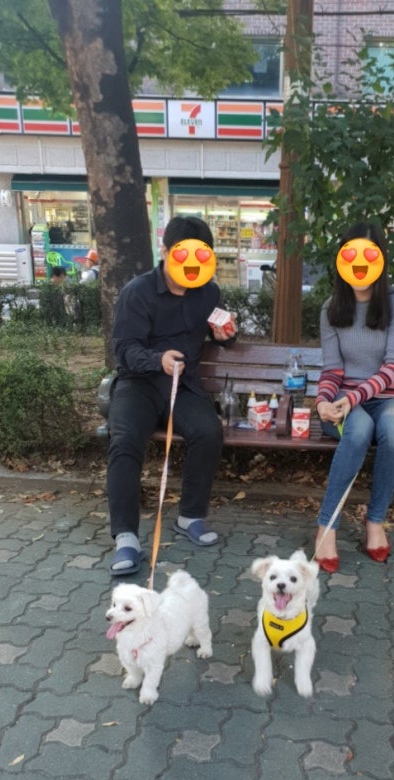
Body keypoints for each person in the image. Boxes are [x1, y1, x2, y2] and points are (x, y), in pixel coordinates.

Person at [106, 215, 236, 575]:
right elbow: (124, 350)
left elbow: (220, 330)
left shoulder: (208, 292)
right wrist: (157, 360)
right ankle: (126, 537)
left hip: (184, 386)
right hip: (139, 383)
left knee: (208, 432)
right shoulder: (137, 292)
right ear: (164, 252)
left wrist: (226, 335)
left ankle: (190, 516)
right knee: (124, 440)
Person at [313, 219, 394, 573]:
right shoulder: (331, 308)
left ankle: (375, 521)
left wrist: (355, 397)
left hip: (387, 397)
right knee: (357, 430)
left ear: (381, 259)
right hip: (345, 401)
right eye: (351, 255)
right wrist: (322, 402)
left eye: (369, 256)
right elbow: (332, 370)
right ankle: (327, 526)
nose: (360, 265)